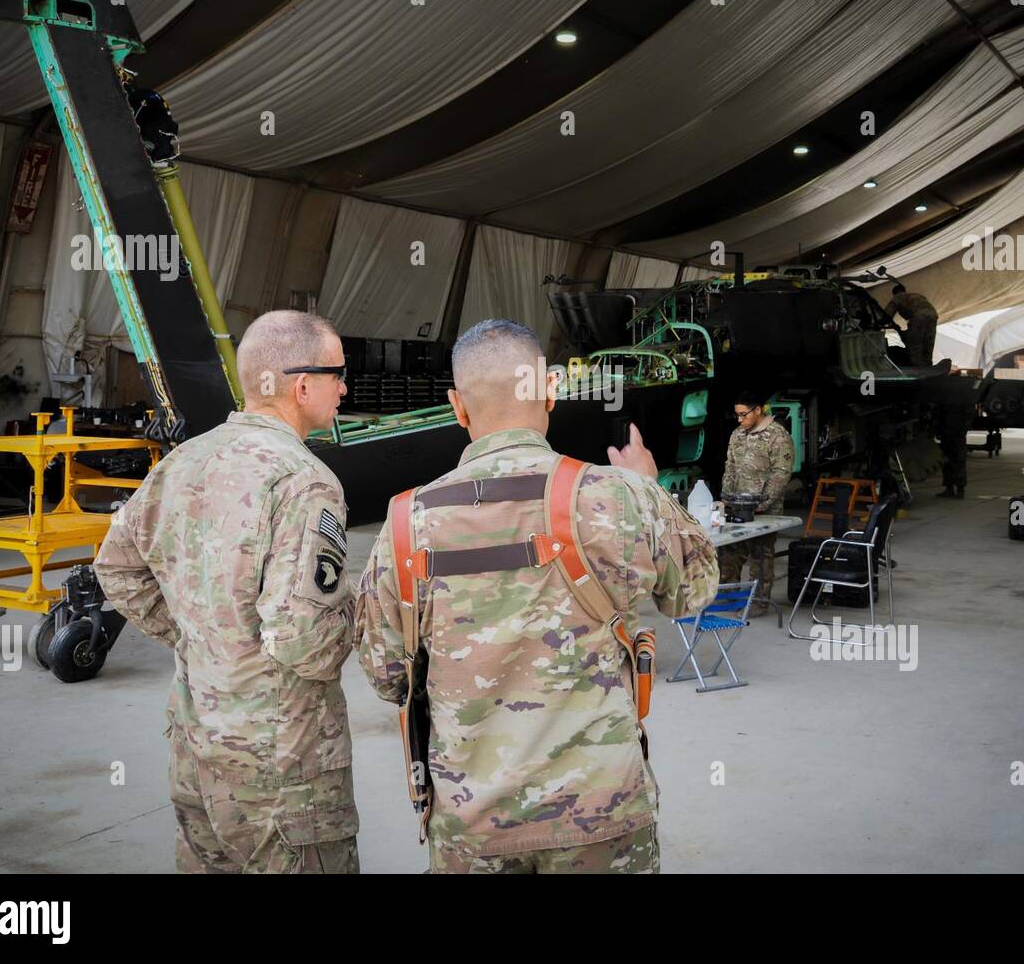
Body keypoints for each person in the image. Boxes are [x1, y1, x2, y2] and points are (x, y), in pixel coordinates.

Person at [355, 319, 718, 874]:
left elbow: (386, 677)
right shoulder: (615, 496)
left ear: (457, 405)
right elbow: (694, 590)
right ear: (550, 389)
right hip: (601, 818)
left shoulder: (406, 524)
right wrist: (648, 486)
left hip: (472, 828)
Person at [93, 311, 360, 874]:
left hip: (197, 743)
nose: (345, 386)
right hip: (280, 761)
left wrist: (201, 634)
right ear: (302, 385)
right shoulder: (304, 481)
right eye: (338, 373)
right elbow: (303, 640)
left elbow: (116, 566)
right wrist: (362, 620)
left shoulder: (183, 461)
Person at [718, 390, 793, 613]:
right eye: (737, 416)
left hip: (764, 509)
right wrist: (726, 495)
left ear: (758, 410)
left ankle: (758, 602)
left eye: (744, 415)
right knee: (729, 550)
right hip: (737, 506)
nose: (740, 420)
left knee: (760, 555)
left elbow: (782, 473)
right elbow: (730, 467)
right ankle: (730, 595)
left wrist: (762, 503)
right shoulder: (737, 435)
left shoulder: (778, 435)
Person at [883, 283, 939, 367]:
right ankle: (928, 366)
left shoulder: (898, 297)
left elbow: (887, 315)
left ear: (894, 293)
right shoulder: (917, 296)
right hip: (933, 315)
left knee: (915, 346)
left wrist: (880, 322)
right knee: (928, 343)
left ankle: (918, 367)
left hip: (919, 317)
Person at [934, 400, 973, 499]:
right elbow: (939, 413)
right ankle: (949, 488)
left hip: (957, 432)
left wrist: (964, 429)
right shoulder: (946, 396)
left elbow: (969, 413)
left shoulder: (961, 395)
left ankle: (960, 489)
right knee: (947, 461)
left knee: (958, 460)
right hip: (947, 431)